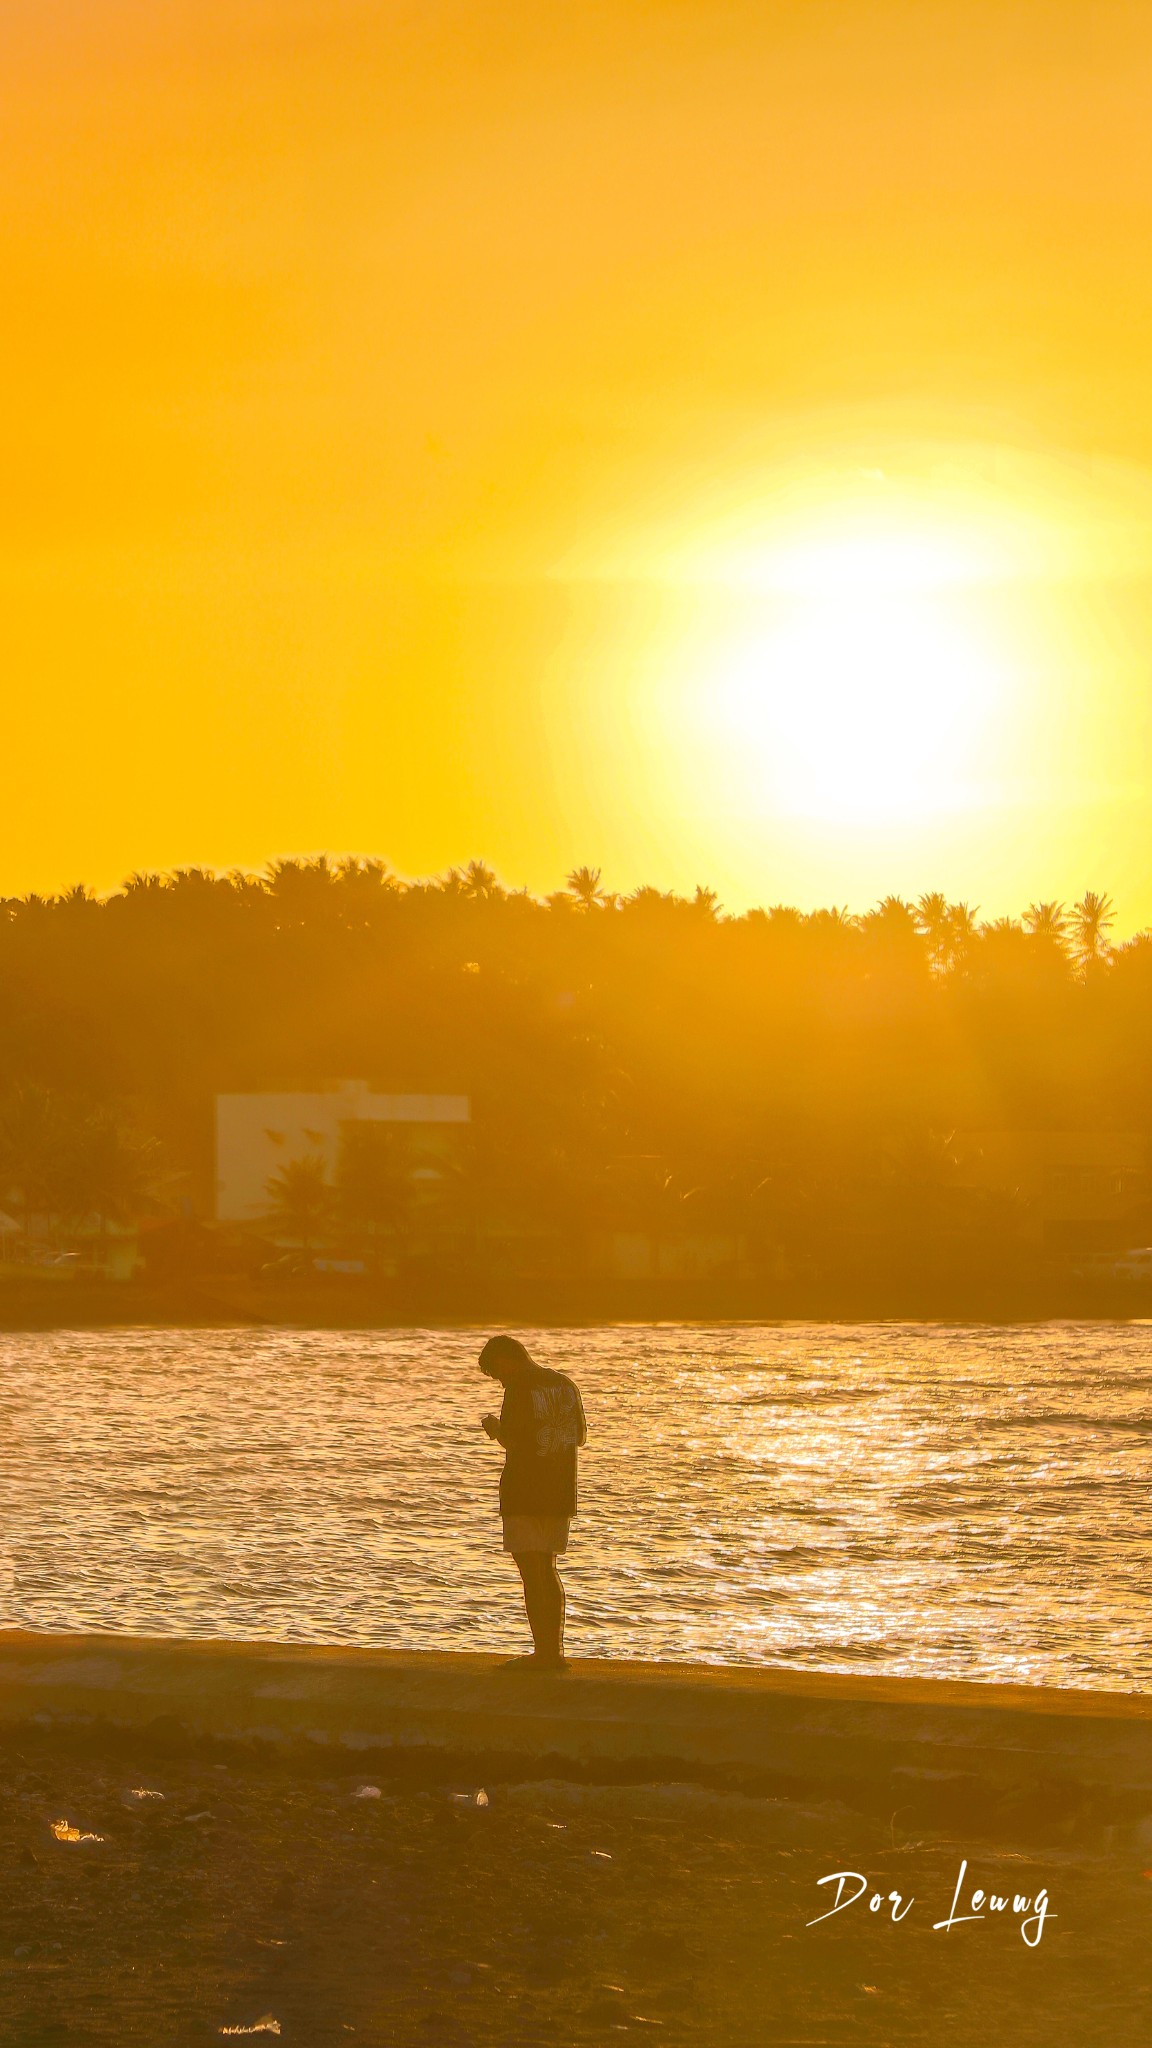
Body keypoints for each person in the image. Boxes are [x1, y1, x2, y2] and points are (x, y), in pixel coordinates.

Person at [479, 1334, 587, 1670]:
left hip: (524, 1491)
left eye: (497, 1374)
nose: (500, 1382)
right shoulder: (564, 1383)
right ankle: (553, 1652)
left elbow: (513, 1439)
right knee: (548, 1568)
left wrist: (495, 1428)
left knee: (531, 1571)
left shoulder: (519, 1387)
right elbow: (579, 1436)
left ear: (506, 1359)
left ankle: (542, 1654)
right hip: (559, 1491)